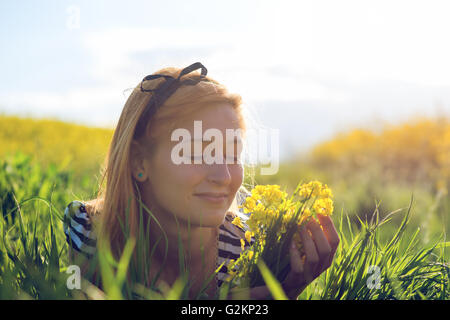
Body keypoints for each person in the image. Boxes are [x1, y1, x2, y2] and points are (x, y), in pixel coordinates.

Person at [63, 62, 340, 299]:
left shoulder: (247, 253)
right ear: (139, 162)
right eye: (196, 153)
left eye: (233, 155)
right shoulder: (92, 233)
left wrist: (286, 291)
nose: (224, 177)